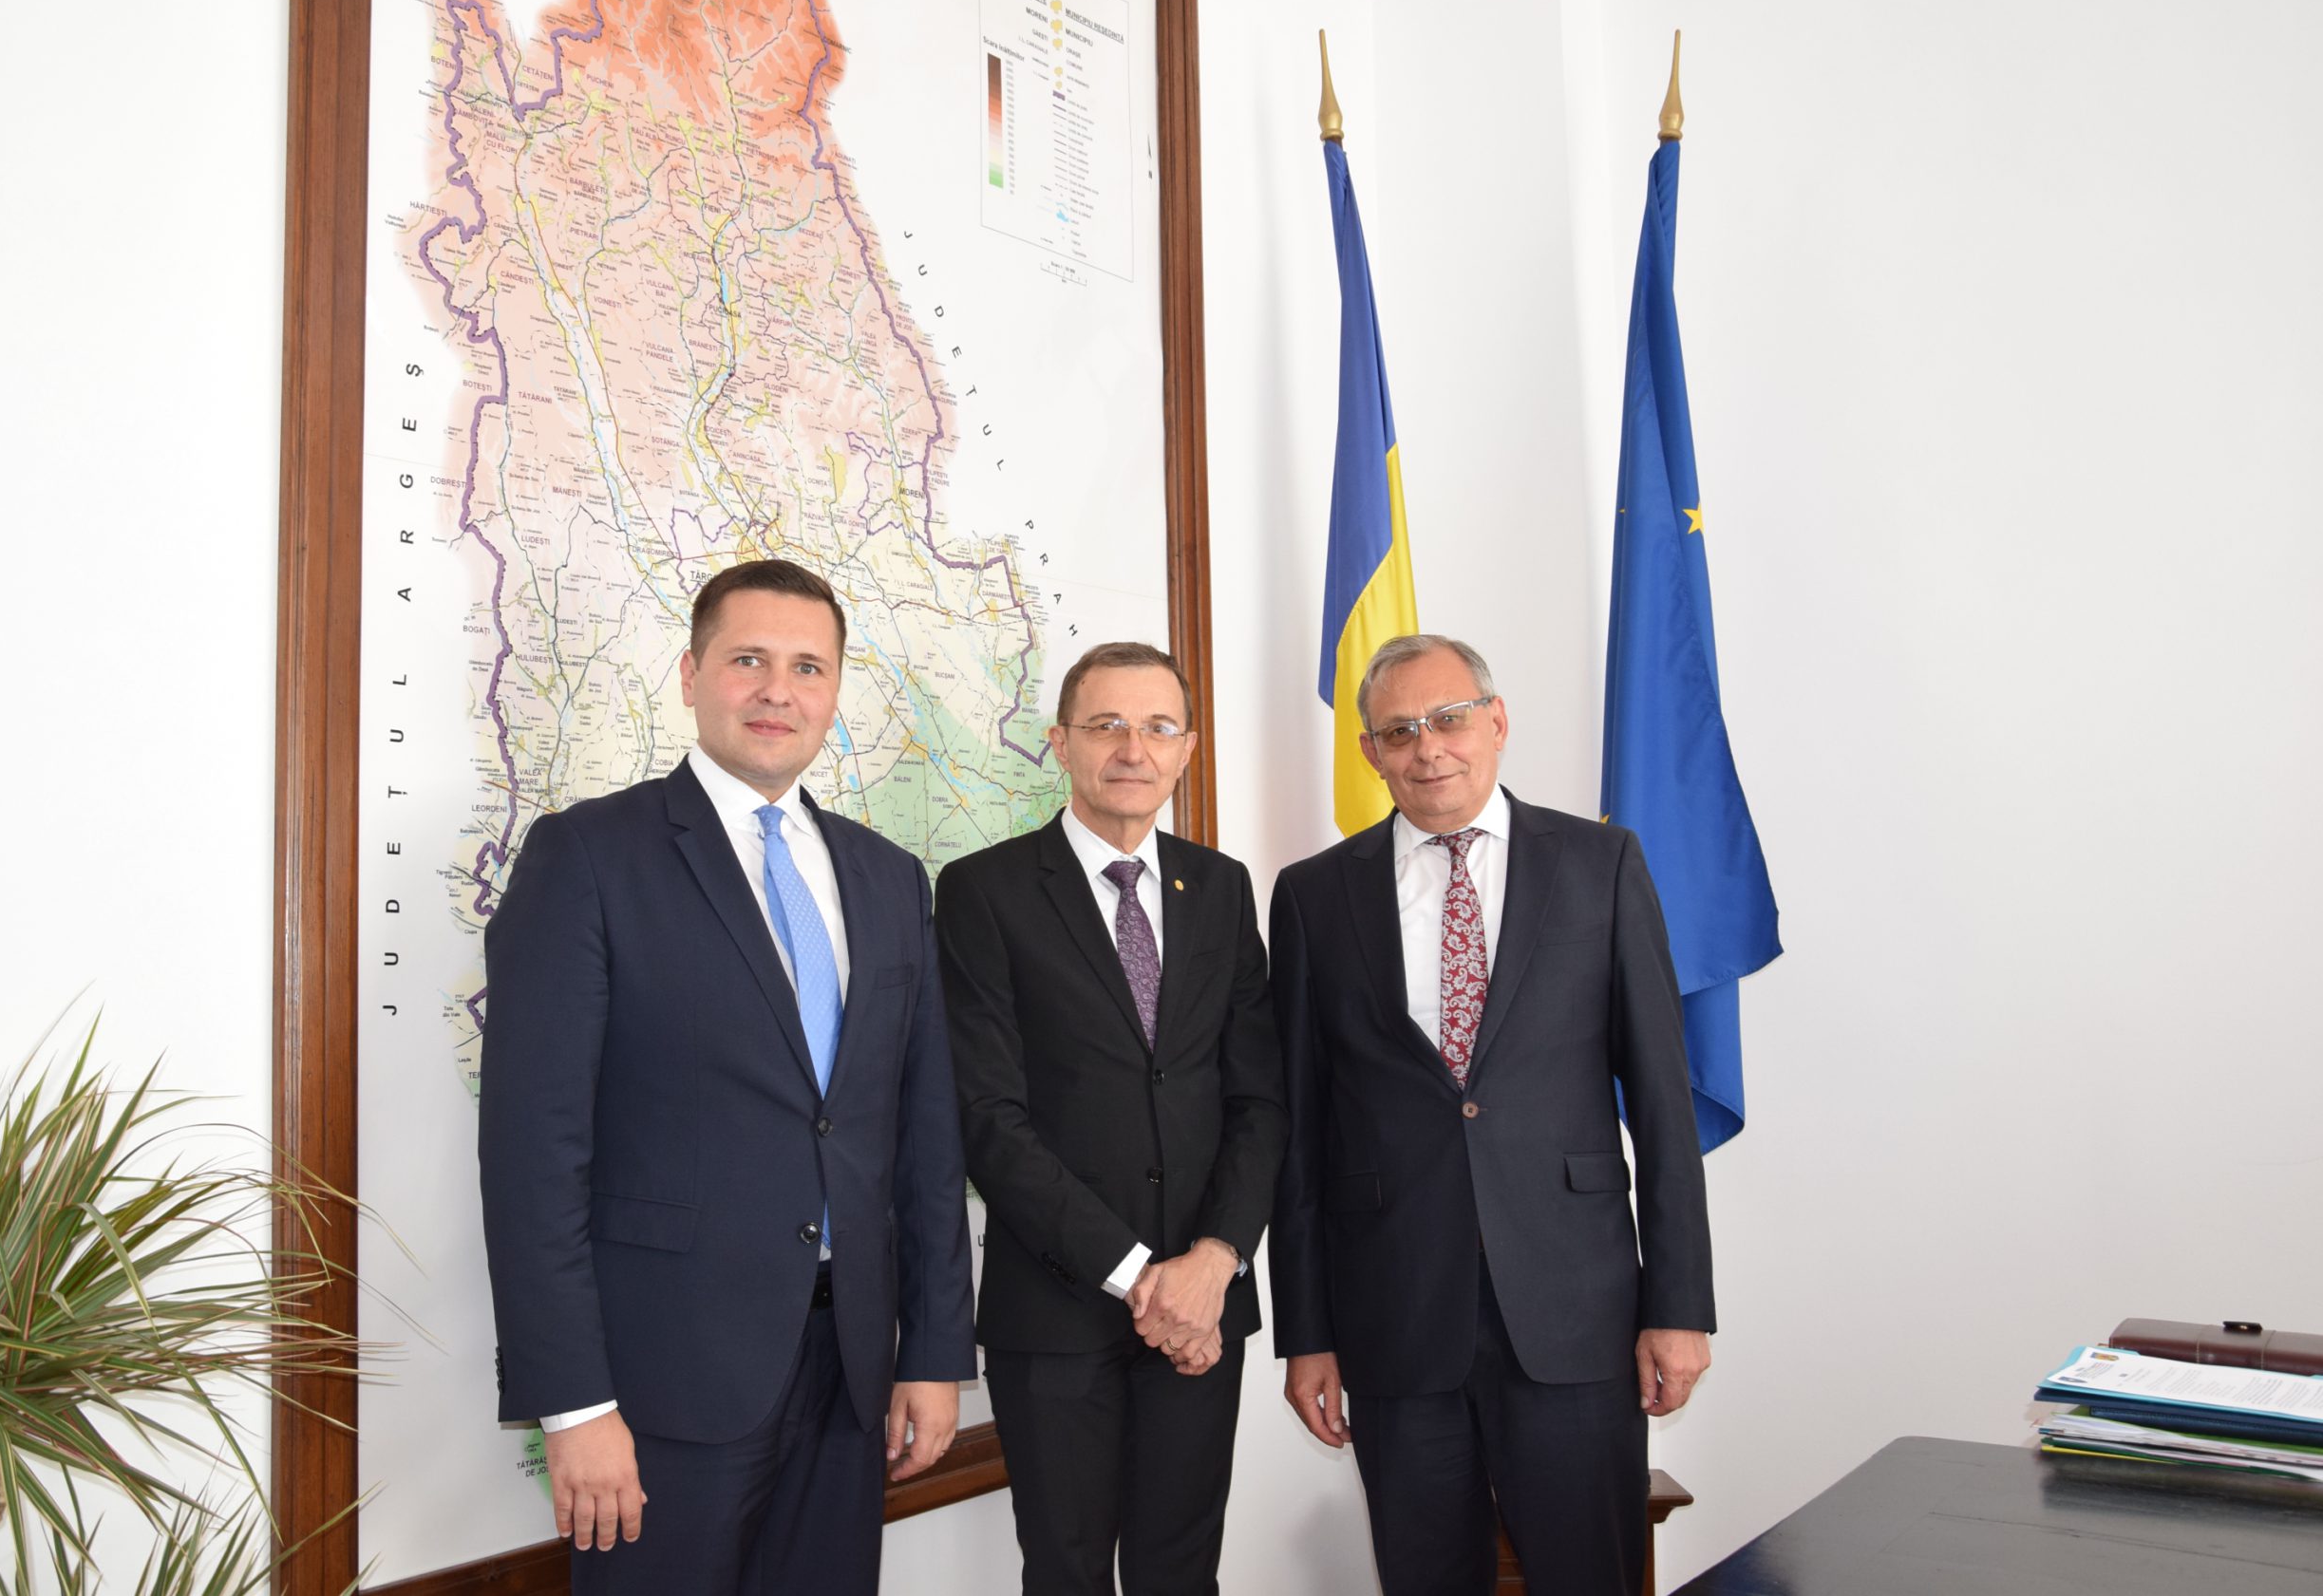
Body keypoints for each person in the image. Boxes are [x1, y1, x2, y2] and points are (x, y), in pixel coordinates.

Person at [479, 558, 975, 1595]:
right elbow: (533, 1156)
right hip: (662, 1386)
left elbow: (923, 1141)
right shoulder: (588, 857)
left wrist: (933, 1352)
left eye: (807, 667)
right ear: (691, 674)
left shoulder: (888, 878)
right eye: (748, 659)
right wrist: (574, 1405)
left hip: (849, 1374)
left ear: (834, 692)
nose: (777, 690)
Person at [1268, 633, 1715, 1596]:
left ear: (1497, 721)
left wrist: (1678, 1307)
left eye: (1449, 718)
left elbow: (1662, 1102)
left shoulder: (1599, 864)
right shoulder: (1312, 897)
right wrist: (1306, 1330)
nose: (1428, 747)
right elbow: (1301, 1133)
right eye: (1399, 731)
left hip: (1575, 1315)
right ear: (1370, 752)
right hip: (1395, 1316)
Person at [936, 642, 1286, 1596]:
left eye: (1158, 726)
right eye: (1106, 725)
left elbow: (1258, 1098)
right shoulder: (983, 891)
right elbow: (988, 1117)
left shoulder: (1221, 887)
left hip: (1205, 1303)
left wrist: (1214, 1260)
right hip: (1056, 1310)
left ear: (1187, 749)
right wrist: (1142, 1279)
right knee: (1067, 1573)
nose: (1133, 748)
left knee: (1182, 1571)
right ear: (1061, 743)